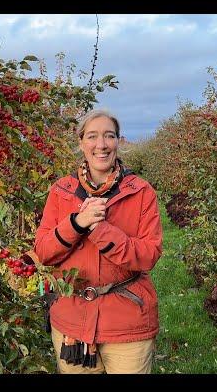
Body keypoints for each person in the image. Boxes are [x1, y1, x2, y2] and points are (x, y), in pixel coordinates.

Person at [33, 108, 163, 374]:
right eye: (92, 136)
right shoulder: (61, 191)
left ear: (119, 141)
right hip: (72, 320)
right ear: (81, 142)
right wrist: (77, 223)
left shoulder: (140, 192)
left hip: (127, 320)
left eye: (109, 136)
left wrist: (100, 230)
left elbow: (148, 255)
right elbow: (44, 252)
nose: (101, 145)